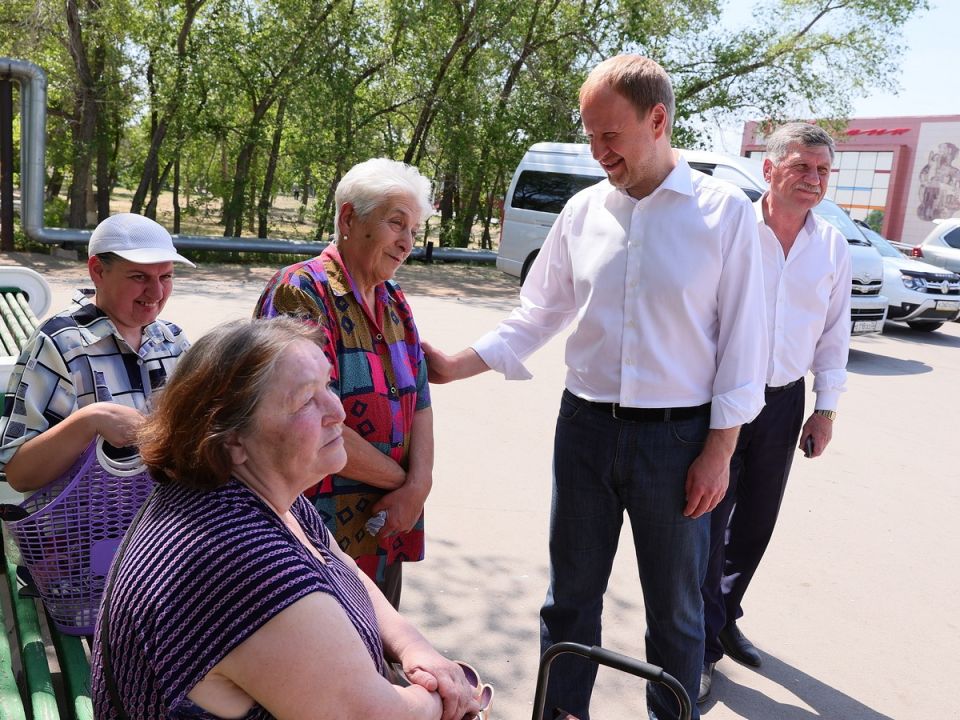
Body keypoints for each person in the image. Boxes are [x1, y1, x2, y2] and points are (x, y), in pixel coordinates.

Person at [424, 54, 767, 720]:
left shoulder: (723, 215)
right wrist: (455, 364)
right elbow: (538, 313)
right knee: (569, 600)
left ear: (658, 119)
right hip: (583, 432)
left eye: (610, 134)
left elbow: (744, 342)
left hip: (678, 441)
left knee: (676, 611)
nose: (597, 150)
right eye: (589, 134)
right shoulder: (583, 212)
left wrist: (719, 450)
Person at [90, 317, 482, 720]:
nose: (337, 411)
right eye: (305, 401)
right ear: (231, 439)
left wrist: (415, 648)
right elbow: (371, 715)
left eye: (328, 385)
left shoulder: (250, 494)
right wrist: (454, 697)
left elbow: (341, 566)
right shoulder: (239, 559)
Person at [699, 122, 852, 702]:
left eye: (822, 171)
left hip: (785, 402)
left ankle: (725, 613)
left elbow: (834, 334)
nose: (813, 181)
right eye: (801, 167)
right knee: (709, 525)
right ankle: (701, 647)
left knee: (755, 523)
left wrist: (826, 410)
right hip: (720, 400)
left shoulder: (832, 244)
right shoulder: (730, 229)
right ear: (769, 169)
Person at [254, 158, 434, 609]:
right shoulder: (300, 292)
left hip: (384, 529)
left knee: (384, 655)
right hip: (315, 533)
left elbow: (423, 401)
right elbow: (308, 418)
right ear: (349, 218)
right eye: (397, 224)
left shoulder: (394, 300)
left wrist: (419, 486)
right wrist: (403, 483)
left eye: (414, 230)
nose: (407, 242)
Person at [0, 213, 193, 493]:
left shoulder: (172, 340)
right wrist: (89, 421)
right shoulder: (61, 343)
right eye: (139, 277)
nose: (156, 292)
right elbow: (18, 473)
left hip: (156, 521)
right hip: (82, 528)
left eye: (166, 276)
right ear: (98, 271)